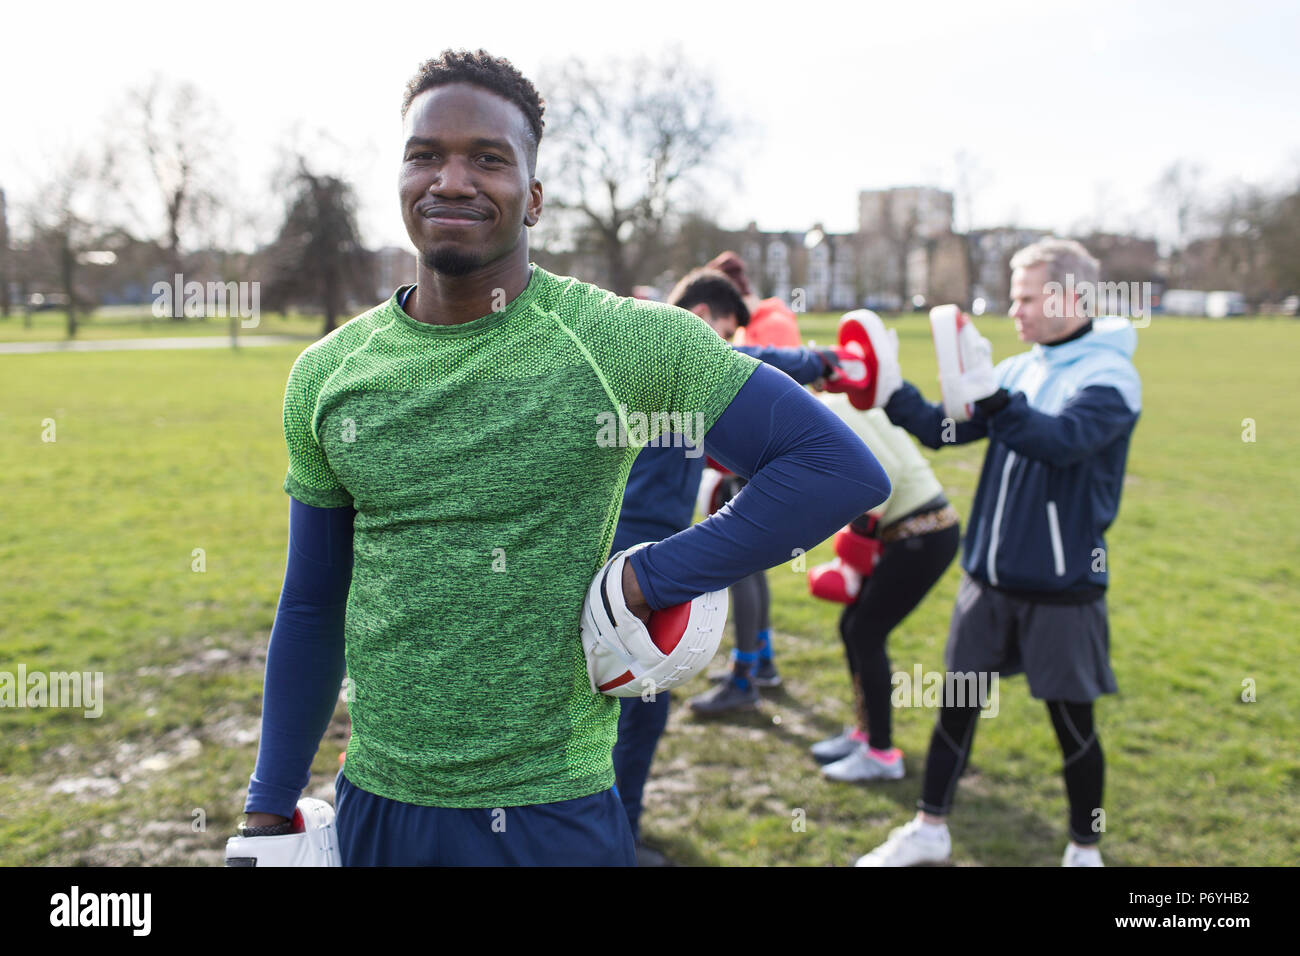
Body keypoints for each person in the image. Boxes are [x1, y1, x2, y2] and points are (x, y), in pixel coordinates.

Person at [237, 49, 891, 866]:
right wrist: (267, 806)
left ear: (534, 197)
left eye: (488, 158)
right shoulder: (327, 374)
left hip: (552, 814)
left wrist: (656, 577)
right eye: (425, 155)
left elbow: (836, 469)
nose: (451, 179)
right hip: (377, 805)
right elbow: (311, 602)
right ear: (399, 179)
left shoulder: (626, 341)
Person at [855, 238, 1141, 867]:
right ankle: (929, 830)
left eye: (1026, 297)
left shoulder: (1110, 378)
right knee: (956, 708)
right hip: (987, 577)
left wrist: (995, 398)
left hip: (1062, 585)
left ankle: (1083, 848)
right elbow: (944, 429)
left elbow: (1060, 441)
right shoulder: (1019, 369)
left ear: (1071, 297)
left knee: (1073, 726)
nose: (1013, 311)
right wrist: (890, 388)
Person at [610, 267, 864, 862]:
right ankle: (616, 839)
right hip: (632, 551)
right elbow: (754, 357)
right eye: (719, 337)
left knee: (628, 703)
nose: (724, 355)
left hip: (645, 544)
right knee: (637, 705)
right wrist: (817, 361)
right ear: (698, 322)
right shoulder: (664, 356)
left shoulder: (663, 376)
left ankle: (612, 831)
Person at [808, 394, 961, 782]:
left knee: (865, 632)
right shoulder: (836, 401)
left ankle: (881, 752)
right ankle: (866, 734)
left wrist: (853, 546)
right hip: (911, 530)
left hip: (921, 532)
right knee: (854, 627)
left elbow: (882, 475)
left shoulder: (829, 408)